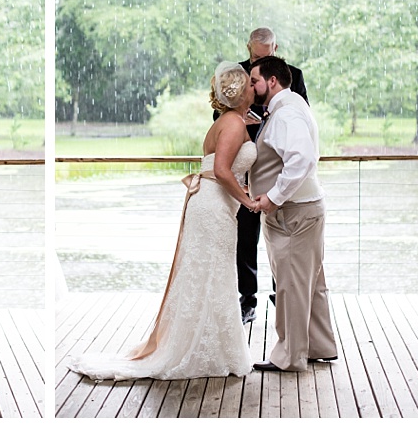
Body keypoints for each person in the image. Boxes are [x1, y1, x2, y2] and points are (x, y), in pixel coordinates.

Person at [68, 62, 257, 381]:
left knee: (212, 276)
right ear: (240, 92)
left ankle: (211, 348)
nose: (255, 87)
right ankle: (202, 351)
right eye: (250, 84)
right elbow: (223, 171)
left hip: (212, 204)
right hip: (213, 206)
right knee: (213, 275)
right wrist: (248, 199)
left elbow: (221, 168)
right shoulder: (235, 125)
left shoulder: (230, 121)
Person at [248, 55, 338, 372]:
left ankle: (290, 357)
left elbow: (301, 160)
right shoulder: (292, 106)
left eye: (254, 80)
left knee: (290, 285)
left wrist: (273, 198)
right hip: (305, 208)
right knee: (311, 282)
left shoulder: (286, 116)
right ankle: (318, 345)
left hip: (294, 212)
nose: (251, 86)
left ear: (272, 81)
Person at [222, 27, 308, 324]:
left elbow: (301, 117)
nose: (261, 60)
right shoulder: (236, 74)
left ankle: (280, 293)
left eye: (267, 55)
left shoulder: (293, 75)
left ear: (276, 48)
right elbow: (220, 114)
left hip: (277, 169)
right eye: (257, 56)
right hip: (245, 164)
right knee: (246, 237)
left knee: (281, 241)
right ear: (249, 49)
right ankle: (248, 299)